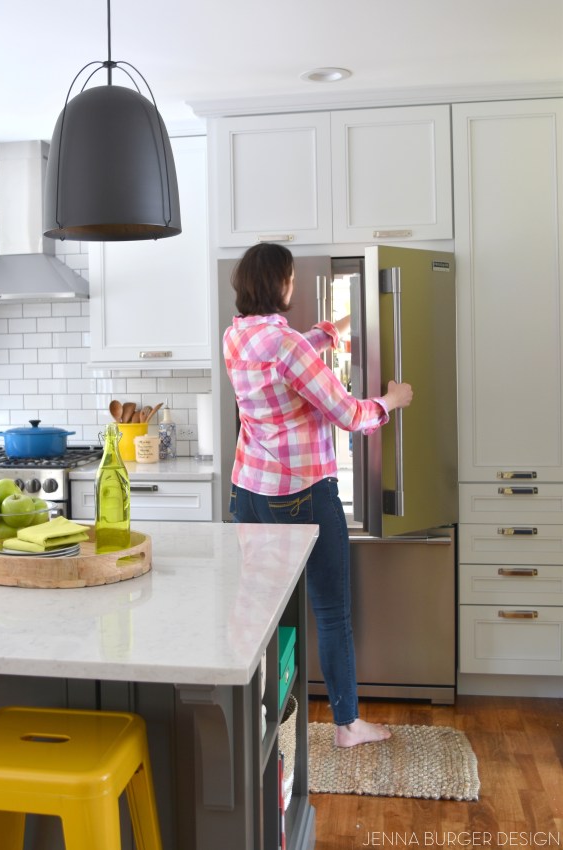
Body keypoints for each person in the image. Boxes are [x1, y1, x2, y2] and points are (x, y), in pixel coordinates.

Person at [223, 243, 413, 748]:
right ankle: (348, 726)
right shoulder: (287, 347)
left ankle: (260, 711)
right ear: (281, 285)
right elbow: (349, 414)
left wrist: (331, 332)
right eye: (289, 278)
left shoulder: (237, 335)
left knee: (261, 607)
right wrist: (391, 401)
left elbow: (287, 355)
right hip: (301, 493)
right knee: (330, 609)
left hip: (250, 491)